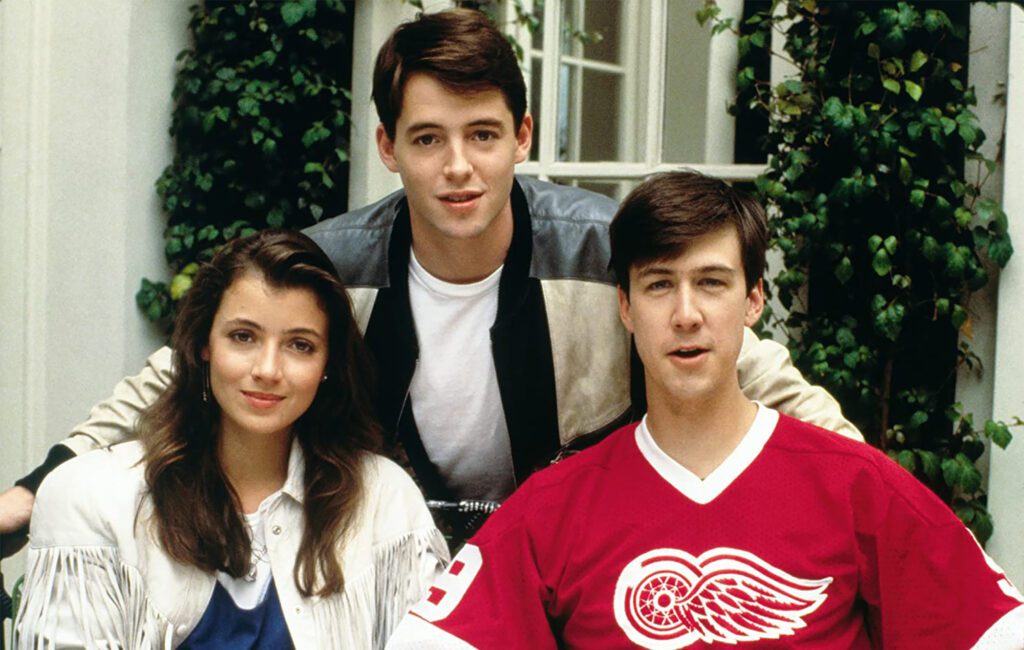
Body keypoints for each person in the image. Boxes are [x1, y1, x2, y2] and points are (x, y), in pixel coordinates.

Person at [0, 9, 859, 546]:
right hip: (388, 554)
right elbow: (182, 370)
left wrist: (880, 498)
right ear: (387, 147)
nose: (458, 167)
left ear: (523, 136)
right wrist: (35, 488)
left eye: (482, 135)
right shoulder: (334, 268)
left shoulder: (603, 253)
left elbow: (754, 372)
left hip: (571, 549)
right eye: (427, 138)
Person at [386, 171, 1024, 649]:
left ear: (753, 302)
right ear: (626, 307)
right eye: (659, 284)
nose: (686, 314)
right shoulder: (554, 510)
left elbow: (994, 632)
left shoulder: (860, 488)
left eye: (711, 283)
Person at [14, 230, 447, 649]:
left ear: (328, 364)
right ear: (204, 344)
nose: (268, 369)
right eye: (243, 337)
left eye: (300, 345)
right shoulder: (91, 498)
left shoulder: (384, 502)